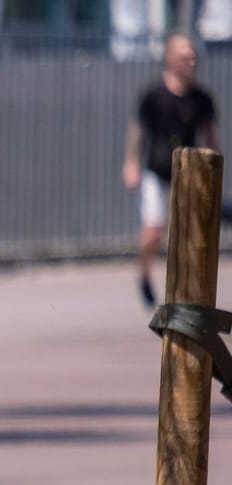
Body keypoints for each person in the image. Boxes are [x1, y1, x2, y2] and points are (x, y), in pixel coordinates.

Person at [124, 33, 219, 307]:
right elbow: (138, 131)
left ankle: (184, 292)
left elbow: (211, 136)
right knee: (154, 230)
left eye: (192, 56)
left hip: (189, 175)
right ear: (169, 59)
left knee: (190, 235)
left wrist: (214, 170)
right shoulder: (154, 95)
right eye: (183, 56)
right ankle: (143, 272)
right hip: (157, 172)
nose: (189, 61)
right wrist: (131, 163)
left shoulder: (201, 98)